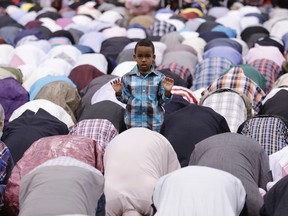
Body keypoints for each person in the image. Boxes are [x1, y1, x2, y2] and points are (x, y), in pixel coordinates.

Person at [111, 38, 174, 132]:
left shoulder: (160, 78)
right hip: (133, 123)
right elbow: (126, 100)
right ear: (134, 57)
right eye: (140, 56)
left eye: (148, 56)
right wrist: (119, 92)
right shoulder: (127, 77)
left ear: (153, 57)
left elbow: (162, 102)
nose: (144, 60)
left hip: (154, 124)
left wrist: (167, 92)